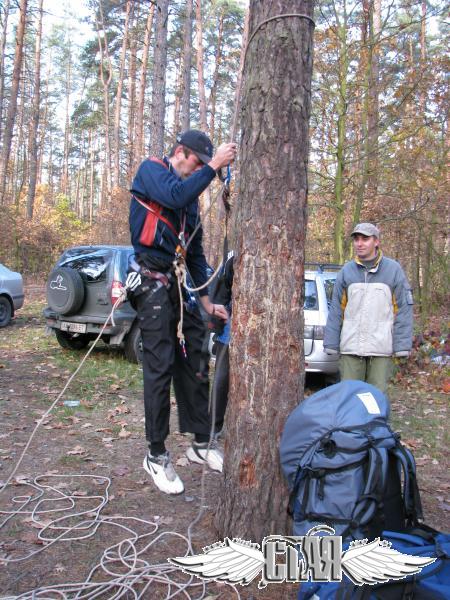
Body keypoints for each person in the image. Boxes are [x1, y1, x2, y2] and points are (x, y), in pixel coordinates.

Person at [129, 130, 237, 494]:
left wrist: (207, 302)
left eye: (204, 168)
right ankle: (156, 454)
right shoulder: (152, 172)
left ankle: (201, 441)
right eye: (196, 163)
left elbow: (195, 256)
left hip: (179, 289)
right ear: (179, 153)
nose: (198, 172)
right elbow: (174, 194)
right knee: (159, 368)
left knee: (194, 364)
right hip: (152, 284)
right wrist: (216, 166)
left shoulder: (190, 200)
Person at [324, 223, 413, 393]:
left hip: (380, 349)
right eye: (356, 239)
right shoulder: (346, 271)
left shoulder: (393, 270)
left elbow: (403, 309)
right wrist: (331, 342)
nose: (360, 243)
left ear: (376, 242)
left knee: (376, 399)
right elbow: (336, 310)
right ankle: (351, 421)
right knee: (349, 397)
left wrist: (402, 345)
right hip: (351, 347)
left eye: (365, 239)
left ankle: (375, 421)